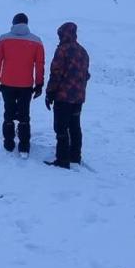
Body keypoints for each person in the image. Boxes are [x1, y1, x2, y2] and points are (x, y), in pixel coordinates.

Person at [0, 13, 46, 157]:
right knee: (24, 115)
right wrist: (39, 84)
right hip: (26, 85)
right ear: (26, 23)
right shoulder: (37, 41)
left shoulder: (4, 39)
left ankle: (9, 143)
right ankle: (24, 147)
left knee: (8, 114)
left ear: (13, 23)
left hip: (7, 83)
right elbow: (39, 65)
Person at [44, 23, 91, 169]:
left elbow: (56, 74)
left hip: (63, 97)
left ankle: (62, 159)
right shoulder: (83, 52)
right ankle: (75, 156)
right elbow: (86, 75)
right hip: (78, 98)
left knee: (61, 128)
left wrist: (49, 93)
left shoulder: (62, 50)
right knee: (75, 127)